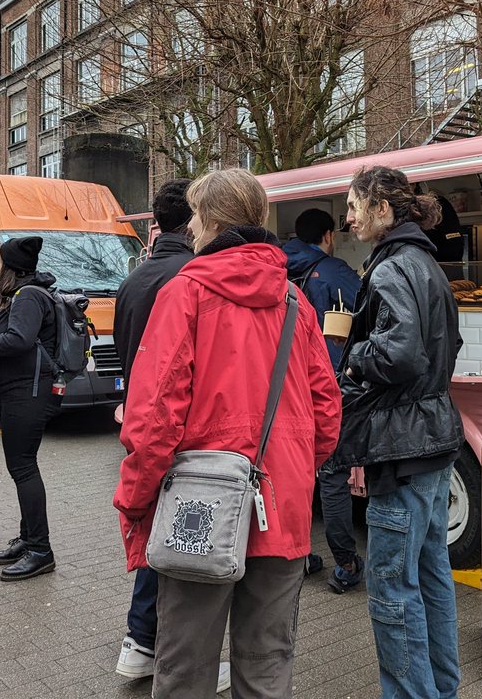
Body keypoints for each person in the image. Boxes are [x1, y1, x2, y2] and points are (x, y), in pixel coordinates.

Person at [115, 169, 341, 699]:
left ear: (211, 221)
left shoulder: (185, 293)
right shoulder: (294, 301)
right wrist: (291, 471)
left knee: (185, 667)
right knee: (267, 665)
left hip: (200, 502)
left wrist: (135, 499)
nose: (192, 226)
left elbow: (153, 419)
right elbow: (327, 412)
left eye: (196, 215)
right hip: (280, 503)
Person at [334, 165, 464, 699]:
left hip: (401, 447)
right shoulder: (428, 264)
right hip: (434, 438)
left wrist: (353, 351)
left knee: (392, 587)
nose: (348, 216)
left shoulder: (389, 269)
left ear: (383, 210)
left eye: (355, 205)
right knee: (432, 576)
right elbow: (444, 348)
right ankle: (441, 689)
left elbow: (401, 352)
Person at [111, 179, 227, 687]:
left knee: (156, 531)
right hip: (190, 431)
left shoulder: (134, 280)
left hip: (143, 425)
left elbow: (125, 354)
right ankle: (177, 656)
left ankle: (138, 640)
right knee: (188, 544)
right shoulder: (196, 279)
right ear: (194, 220)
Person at [0, 235, 60, 582]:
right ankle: (29, 538)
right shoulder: (23, 294)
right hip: (21, 392)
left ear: (10, 267)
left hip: (27, 395)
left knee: (23, 469)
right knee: (24, 468)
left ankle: (40, 550)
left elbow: (18, 340)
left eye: (0, 262)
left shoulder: (28, 296)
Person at [282, 208, 364, 593]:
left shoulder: (279, 267)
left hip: (285, 384)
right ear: (328, 236)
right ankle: (345, 563)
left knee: (292, 472)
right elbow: (366, 313)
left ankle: (296, 556)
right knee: (332, 475)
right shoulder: (334, 272)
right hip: (325, 382)